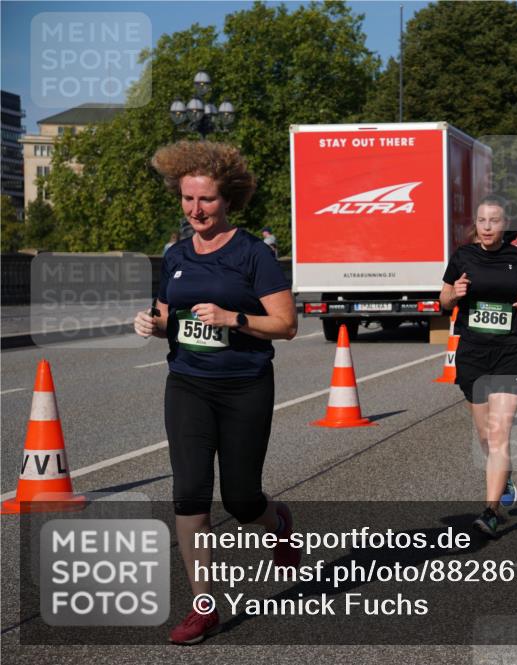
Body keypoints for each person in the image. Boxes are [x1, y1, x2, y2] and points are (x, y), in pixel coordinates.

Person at [132, 141, 298, 645]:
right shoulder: (177, 254)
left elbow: (287, 324)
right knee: (190, 495)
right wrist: (153, 323)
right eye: (187, 200)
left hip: (245, 385)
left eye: (205, 200)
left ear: (227, 200)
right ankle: (203, 607)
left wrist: (235, 319)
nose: (195, 210)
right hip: (187, 384)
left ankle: (278, 523)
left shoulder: (253, 254)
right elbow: (168, 315)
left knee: (242, 497)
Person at [440, 195, 517, 538]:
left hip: (510, 349)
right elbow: (443, 300)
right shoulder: (463, 256)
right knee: (484, 435)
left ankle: (491, 510)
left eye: (493, 221)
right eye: (481, 220)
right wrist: (457, 293)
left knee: (498, 433)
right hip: (473, 352)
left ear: (504, 225)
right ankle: (503, 475)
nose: (486, 226)